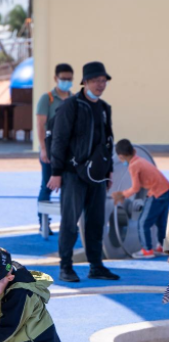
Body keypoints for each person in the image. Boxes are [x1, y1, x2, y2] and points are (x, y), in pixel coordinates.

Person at [48, 61, 120, 283]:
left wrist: (109, 171)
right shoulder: (71, 106)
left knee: (96, 221)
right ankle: (65, 266)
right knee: (70, 222)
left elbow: (107, 142)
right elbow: (59, 140)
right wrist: (56, 171)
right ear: (86, 82)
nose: (101, 85)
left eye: (103, 81)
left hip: (97, 176)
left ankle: (96, 265)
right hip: (72, 174)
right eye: (96, 80)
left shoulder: (105, 108)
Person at [113, 139, 169, 259]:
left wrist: (122, 194)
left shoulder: (133, 166)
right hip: (166, 190)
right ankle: (163, 247)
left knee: (143, 223)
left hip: (157, 193)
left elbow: (135, 188)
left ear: (121, 156)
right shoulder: (141, 160)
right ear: (133, 151)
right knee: (161, 223)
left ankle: (147, 250)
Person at [35, 63, 74, 235]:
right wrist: (44, 149)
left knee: (70, 187)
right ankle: (44, 223)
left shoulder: (74, 99)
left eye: (69, 79)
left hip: (70, 153)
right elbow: (41, 125)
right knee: (48, 186)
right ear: (55, 78)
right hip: (50, 152)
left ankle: (69, 222)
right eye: (63, 78)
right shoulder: (47, 99)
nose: (66, 82)